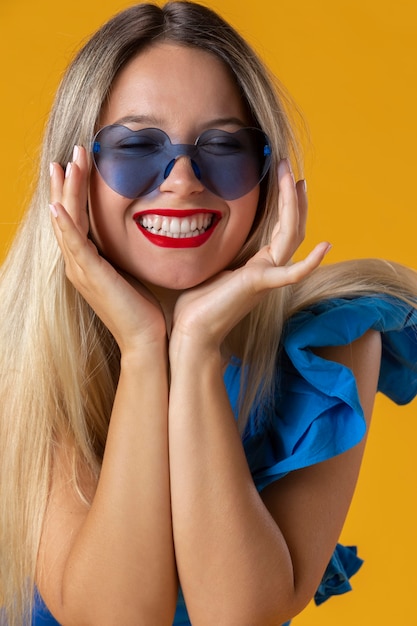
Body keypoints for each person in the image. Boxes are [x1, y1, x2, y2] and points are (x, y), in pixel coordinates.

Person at [0, 2, 416, 625]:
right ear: (73, 175)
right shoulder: (21, 351)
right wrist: (143, 347)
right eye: (137, 145)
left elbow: (239, 614)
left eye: (224, 146)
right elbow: (116, 618)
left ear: (269, 176)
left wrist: (194, 347)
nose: (184, 178)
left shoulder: (333, 342)